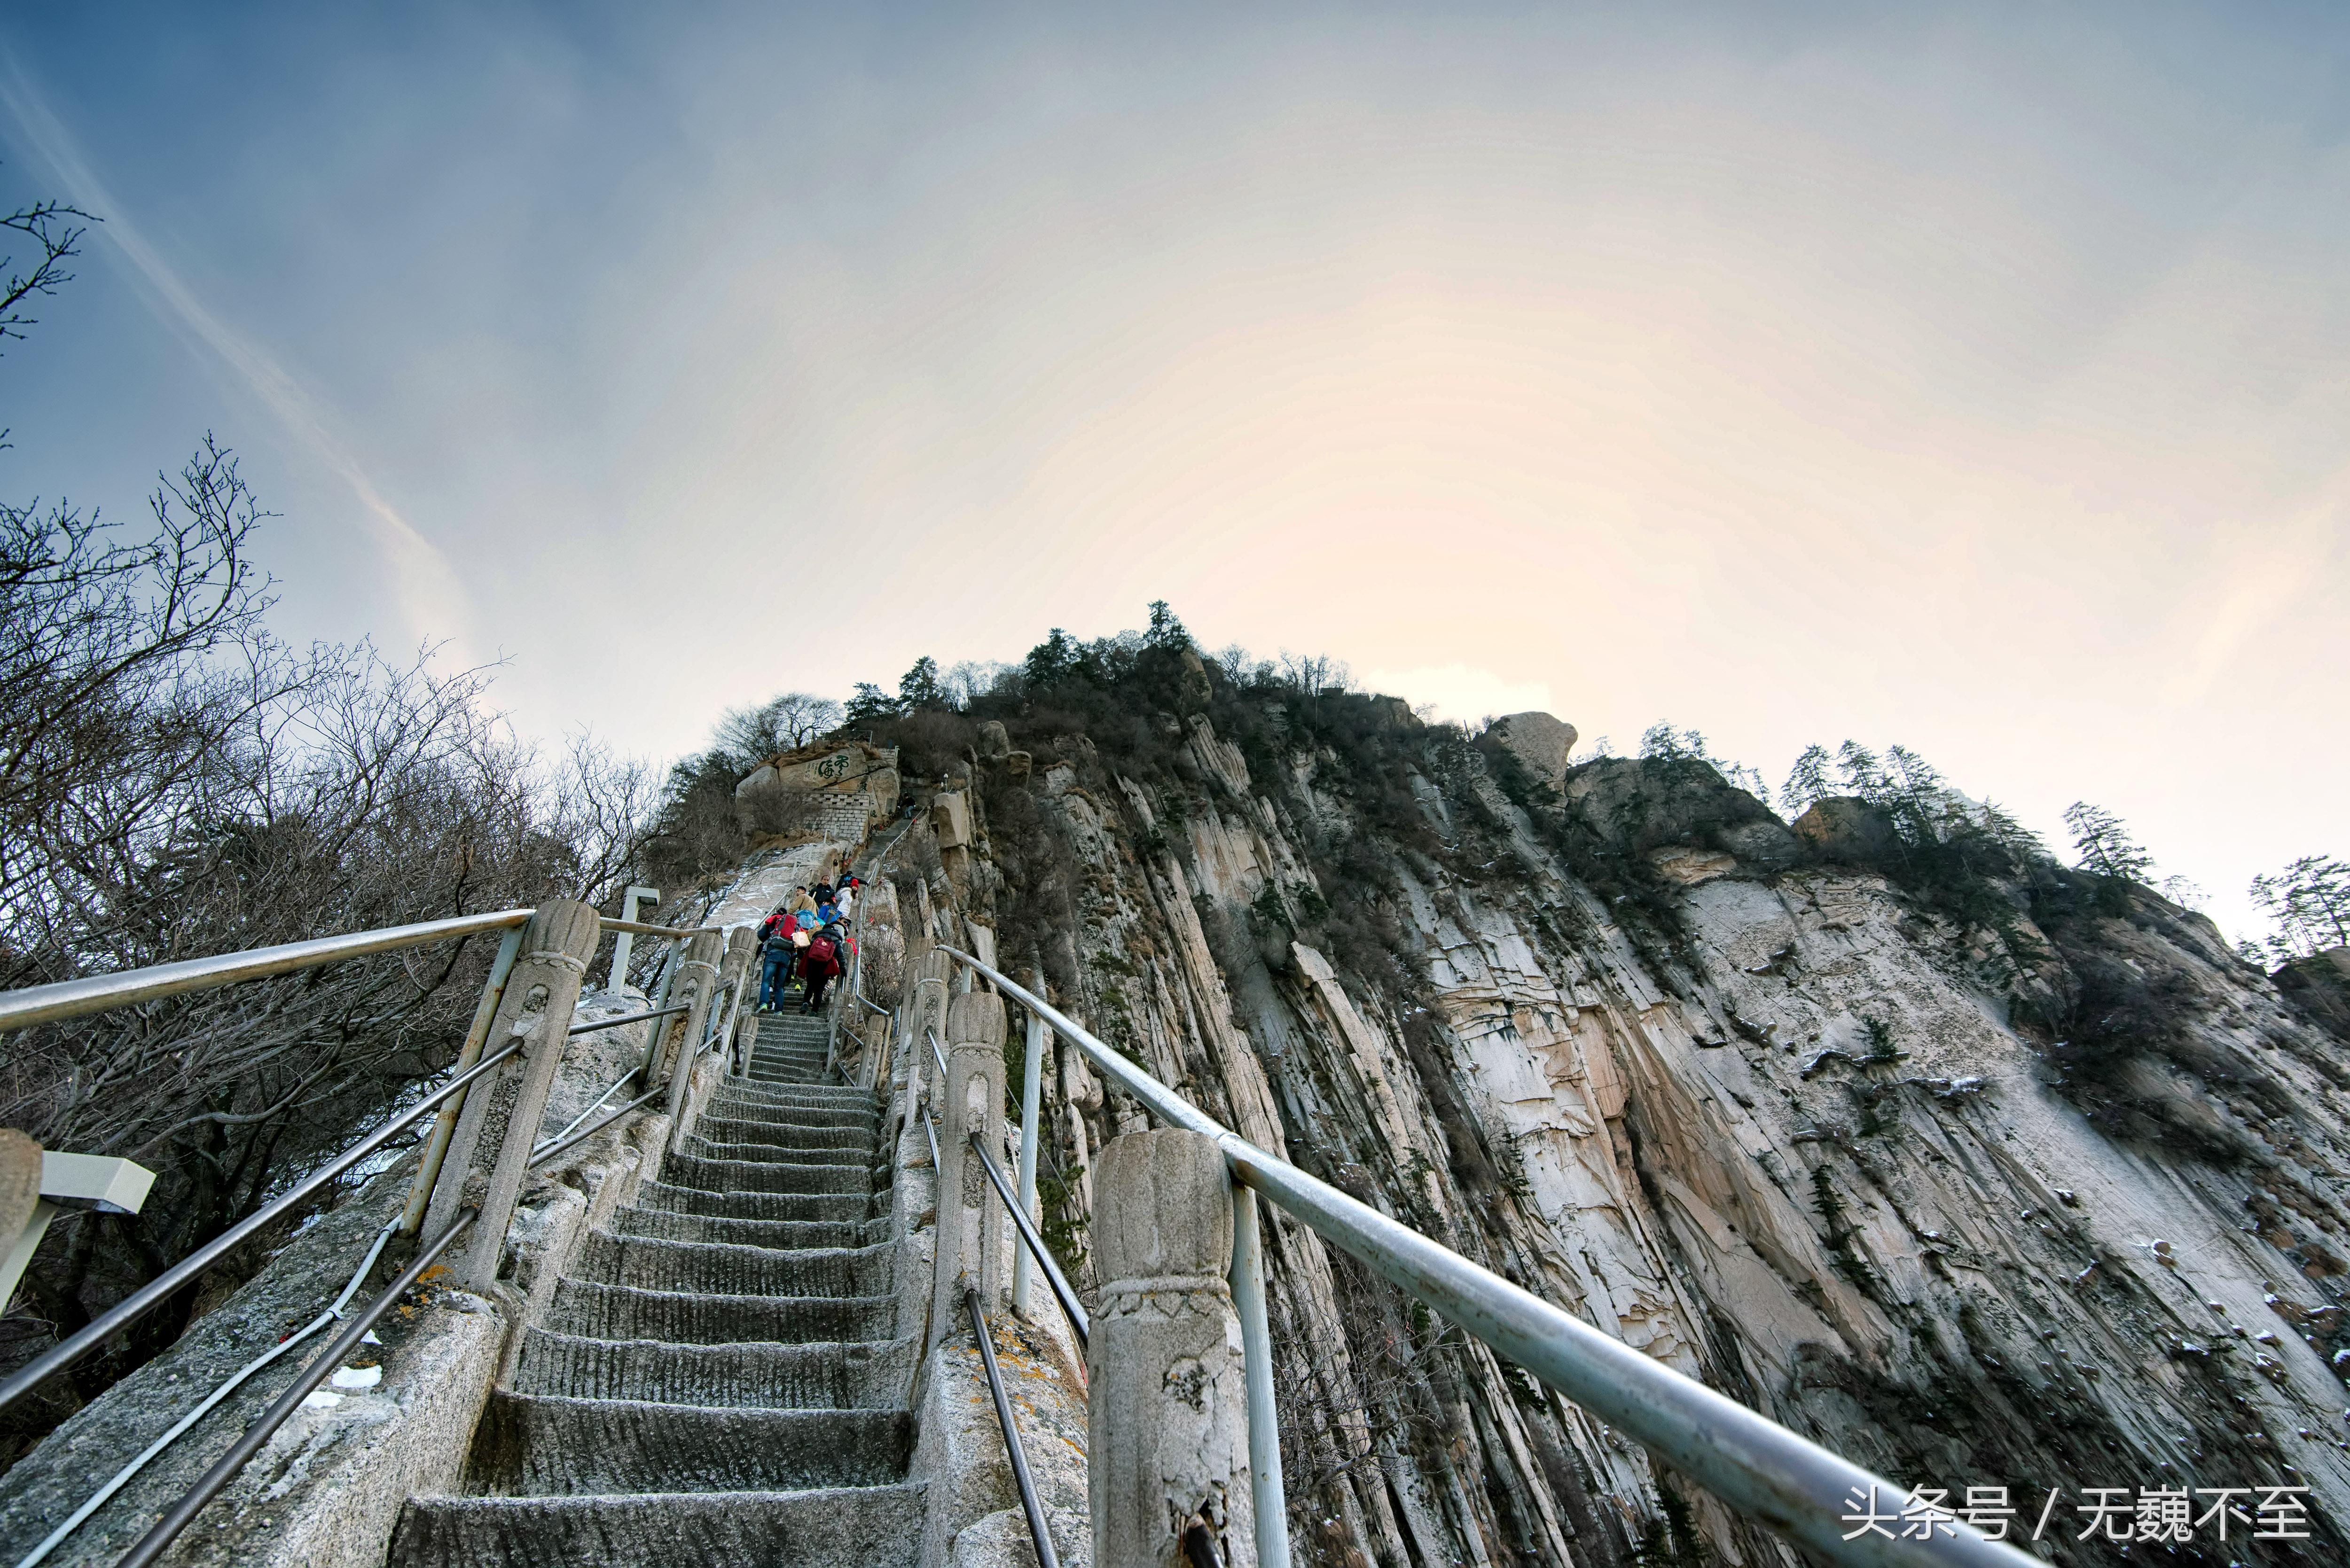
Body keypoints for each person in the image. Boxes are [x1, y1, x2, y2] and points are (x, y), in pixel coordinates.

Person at [757, 912, 797, 1011]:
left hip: (773, 953)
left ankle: (764, 1004)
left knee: (766, 981)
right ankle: (779, 1011)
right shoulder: (795, 925)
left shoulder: (775, 920)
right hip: (786, 957)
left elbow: (761, 935)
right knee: (780, 986)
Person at [800, 926, 841, 1013]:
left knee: (810, 986)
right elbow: (841, 956)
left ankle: (805, 1003)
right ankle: (815, 1011)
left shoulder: (817, 936)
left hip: (812, 965)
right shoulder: (836, 940)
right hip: (825, 968)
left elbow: (808, 950)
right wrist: (843, 969)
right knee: (819, 990)